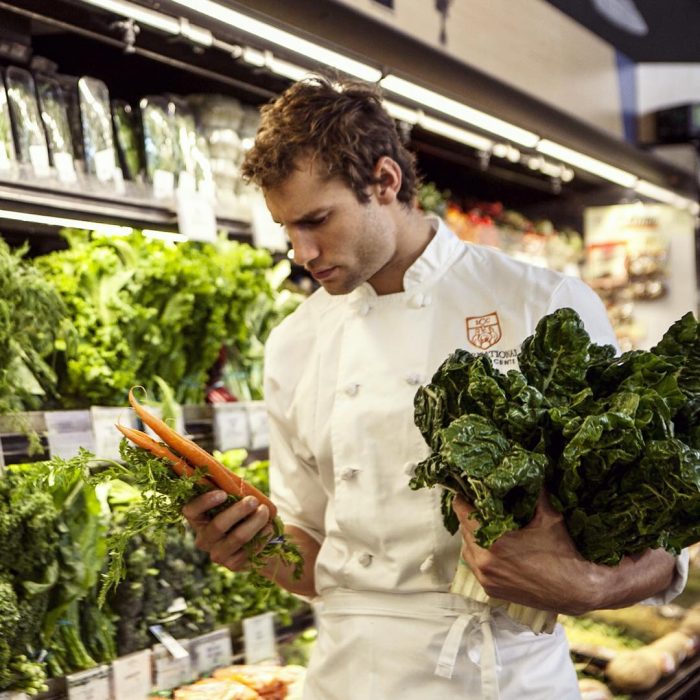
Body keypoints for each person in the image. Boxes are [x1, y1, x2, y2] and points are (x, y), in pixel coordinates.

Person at [183, 76, 688, 700]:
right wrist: (251, 548)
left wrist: (591, 588)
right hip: (344, 676)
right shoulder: (295, 341)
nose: (302, 251)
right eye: (287, 228)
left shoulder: (543, 306)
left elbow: (656, 543)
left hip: (501, 676)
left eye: (317, 220)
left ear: (386, 182)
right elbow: (312, 559)